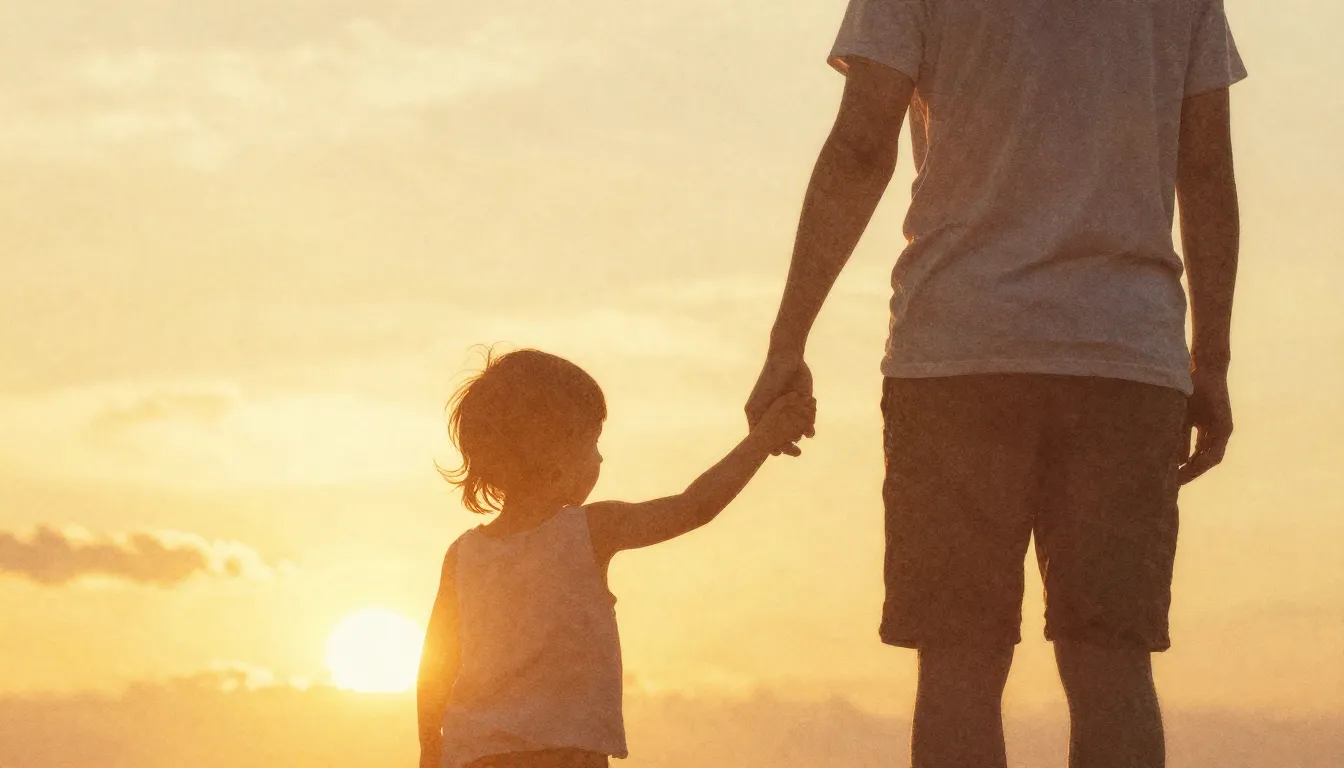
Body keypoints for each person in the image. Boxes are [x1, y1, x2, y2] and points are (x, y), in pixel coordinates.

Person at [744, 1, 1246, 766]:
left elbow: (861, 145)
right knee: (1111, 661)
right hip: (1122, 356)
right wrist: (1212, 359)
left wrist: (788, 340)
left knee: (959, 659)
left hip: (959, 354)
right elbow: (1205, 167)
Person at [417, 348, 815, 768]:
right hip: (566, 756)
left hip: (474, 757)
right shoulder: (592, 530)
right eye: (593, 444)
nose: (601, 458)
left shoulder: (464, 555)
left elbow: (435, 669)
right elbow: (695, 506)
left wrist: (429, 751)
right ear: (556, 454)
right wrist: (762, 439)